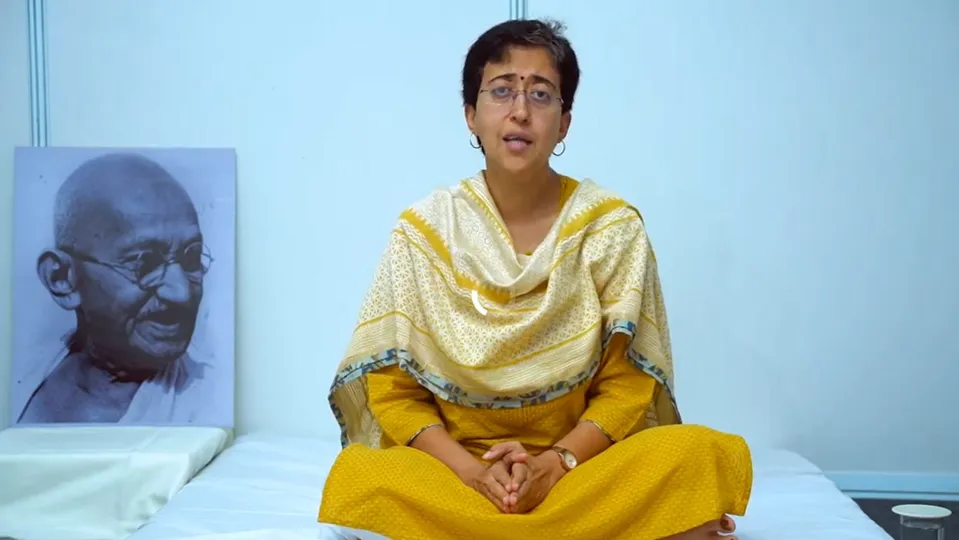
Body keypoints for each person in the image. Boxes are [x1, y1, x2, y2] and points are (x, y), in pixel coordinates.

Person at [319, 19, 753, 539]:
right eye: (501, 90)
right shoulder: (424, 232)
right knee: (359, 478)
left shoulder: (609, 228)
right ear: (471, 115)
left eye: (541, 94)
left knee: (695, 453)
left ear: (565, 122)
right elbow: (393, 391)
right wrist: (476, 474)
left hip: (575, 465)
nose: (520, 111)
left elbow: (627, 385)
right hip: (456, 471)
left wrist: (556, 463)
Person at [16, 152, 213, 424]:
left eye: (191, 258)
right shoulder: (18, 378)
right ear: (61, 278)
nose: (181, 293)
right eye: (145, 263)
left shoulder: (208, 403)